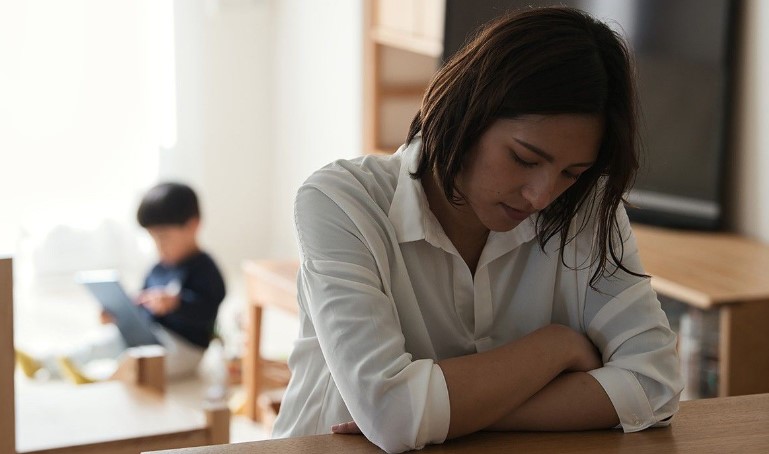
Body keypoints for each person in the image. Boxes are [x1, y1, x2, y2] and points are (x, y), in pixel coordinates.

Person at [271, 6, 683, 454]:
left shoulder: (583, 208)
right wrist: (557, 348)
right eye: (524, 159)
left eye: (572, 172)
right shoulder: (341, 202)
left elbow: (654, 383)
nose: (542, 196)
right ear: (467, 114)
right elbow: (391, 415)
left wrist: (450, 414)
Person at [15, 182, 226, 382]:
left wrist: (177, 304)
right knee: (104, 341)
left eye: (164, 237)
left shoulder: (205, 269)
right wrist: (122, 315)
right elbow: (142, 303)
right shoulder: (158, 268)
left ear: (192, 225)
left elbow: (207, 313)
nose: (159, 246)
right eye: (153, 239)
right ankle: (44, 362)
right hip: (150, 335)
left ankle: (100, 379)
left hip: (185, 348)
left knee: (139, 363)